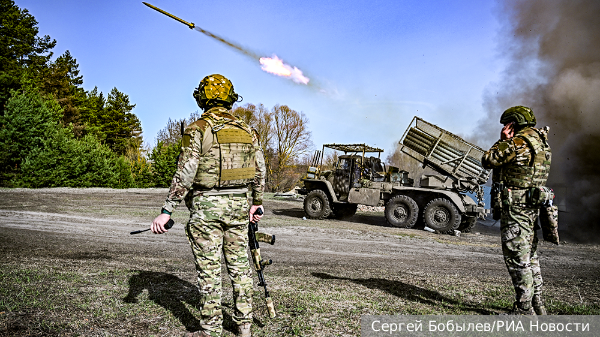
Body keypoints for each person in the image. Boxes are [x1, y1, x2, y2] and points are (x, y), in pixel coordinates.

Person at [151, 74, 266, 337]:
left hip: (206, 208)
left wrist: (167, 210)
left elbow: (185, 172)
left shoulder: (198, 129)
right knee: (240, 268)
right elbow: (260, 171)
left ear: (202, 97)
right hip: (239, 206)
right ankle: (244, 327)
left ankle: (210, 330)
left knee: (210, 270)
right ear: (230, 98)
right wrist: (256, 202)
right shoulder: (249, 131)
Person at [482, 106, 552, 315]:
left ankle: (523, 310)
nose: (505, 127)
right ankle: (537, 305)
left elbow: (489, 160)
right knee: (530, 256)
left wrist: (502, 139)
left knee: (517, 258)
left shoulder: (517, 143)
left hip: (516, 209)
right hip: (531, 207)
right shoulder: (542, 143)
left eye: (507, 124)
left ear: (515, 123)